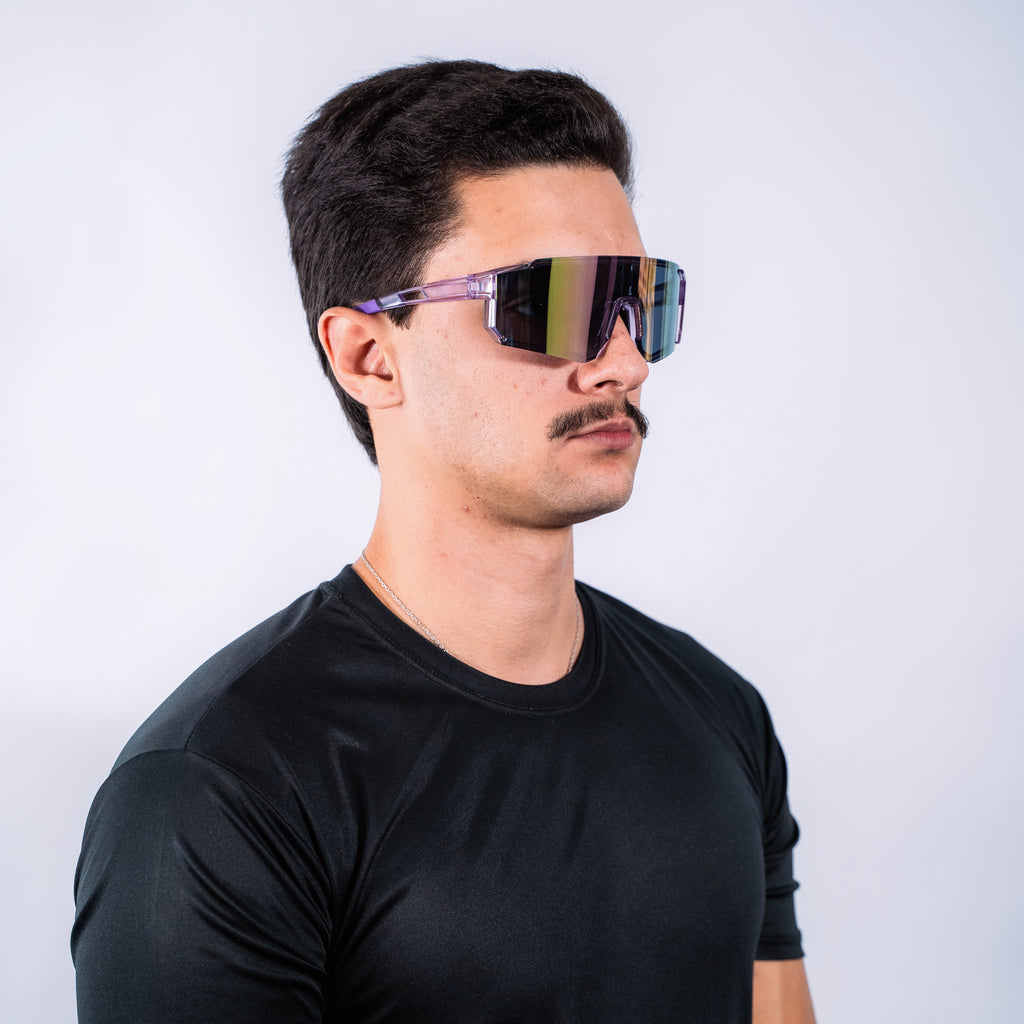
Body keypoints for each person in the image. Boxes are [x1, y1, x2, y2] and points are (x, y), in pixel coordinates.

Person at [72, 60, 815, 1024]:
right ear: (369, 357)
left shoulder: (721, 717)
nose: (625, 361)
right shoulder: (219, 790)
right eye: (552, 303)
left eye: (643, 298)